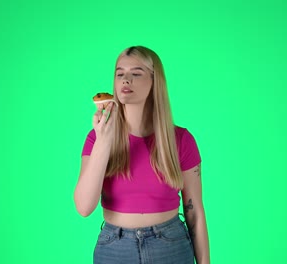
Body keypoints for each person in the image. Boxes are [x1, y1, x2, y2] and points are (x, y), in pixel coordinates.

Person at [74, 46, 210, 264]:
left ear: (155, 81)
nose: (126, 80)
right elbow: (84, 207)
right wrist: (104, 140)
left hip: (171, 246)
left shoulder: (181, 140)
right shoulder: (96, 138)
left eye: (136, 73)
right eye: (120, 74)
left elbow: (195, 212)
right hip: (114, 249)